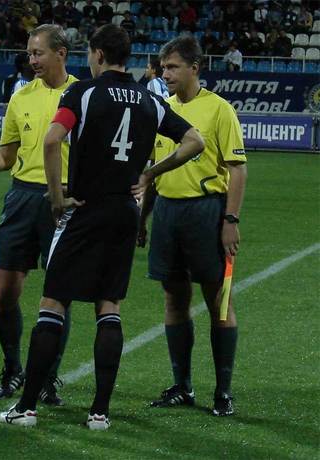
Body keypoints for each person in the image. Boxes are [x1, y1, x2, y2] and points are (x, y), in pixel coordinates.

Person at [0, 23, 204, 431]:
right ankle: (99, 412)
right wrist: (150, 173)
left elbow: (52, 139)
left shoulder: (83, 93)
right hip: (125, 212)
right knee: (108, 307)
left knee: (53, 303)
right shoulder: (149, 99)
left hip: (84, 208)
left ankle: (26, 407)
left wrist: (55, 197)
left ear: (97, 54)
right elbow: (194, 141)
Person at [138, 35, 247, 417]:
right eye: (163, 68)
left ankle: (223, 391)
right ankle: (182, 385)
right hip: (168, 212)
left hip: (207, 212)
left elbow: (237, 169)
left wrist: (230, 219)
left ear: (194, 68)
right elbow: (152, 173)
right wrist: (143, 218)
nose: (165, 74)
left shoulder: (219, 109)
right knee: (174, 298)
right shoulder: (161, 111)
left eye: (173, 67)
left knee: (220, 300)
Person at [0, 24, 78, 405]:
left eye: (38, 53)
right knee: (5, 293)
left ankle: (47, 378)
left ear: (61, 53)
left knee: (58, 296)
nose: (32, 60)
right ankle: (13, 368)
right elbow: (5, 157)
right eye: (29, 54)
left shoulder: (82, 94)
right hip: (22, 197)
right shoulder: (20, 96)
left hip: (66, 200)